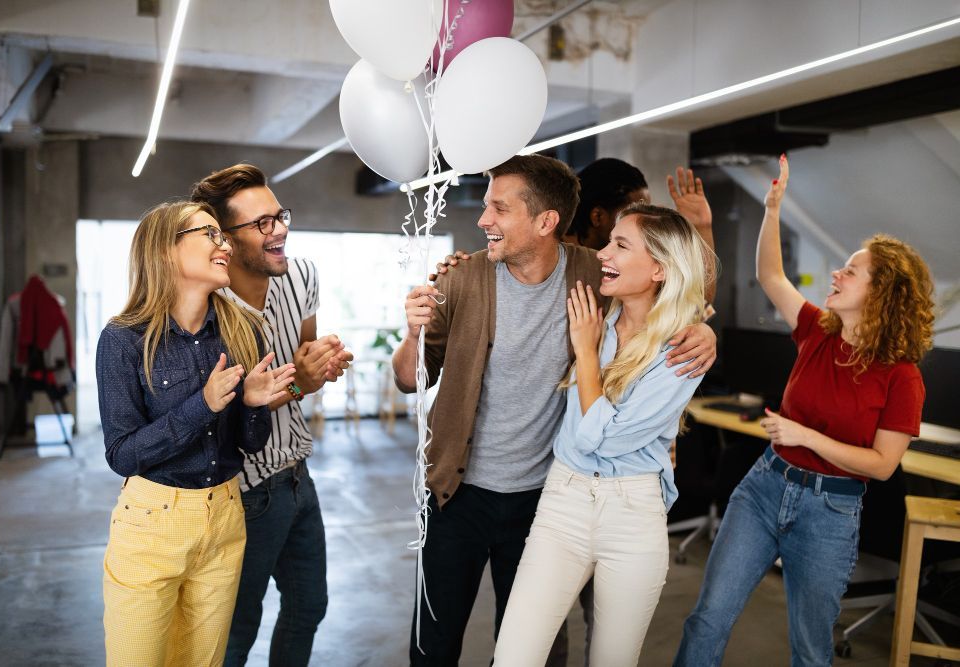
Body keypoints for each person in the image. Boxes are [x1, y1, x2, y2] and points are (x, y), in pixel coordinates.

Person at [392, 154, 718, 666]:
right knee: (432, 643)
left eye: (498, 208)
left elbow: (668, 292)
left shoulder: (593, 275)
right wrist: (412, 332)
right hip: (457, 494)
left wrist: (703, 325)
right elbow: (409, 379)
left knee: (539, 652)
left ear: (545, 222)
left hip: (543, 496)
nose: (482, 221)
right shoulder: (462, 279)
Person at [674, 155, 935, 667]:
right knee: (708, 616)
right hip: (765, 486)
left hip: (830, 511)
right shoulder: (819, 330)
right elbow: (770, 274)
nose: (837, 273)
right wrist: (772, 209)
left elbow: (882, 465)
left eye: (851, 270)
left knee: (810, 648)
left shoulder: (902, 376)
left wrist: (806, 436)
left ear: (881, 295)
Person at [493, 203, 713, 666]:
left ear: (658, 268)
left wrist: (586, 355)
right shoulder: (595, 316)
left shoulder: (681, 351)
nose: (603, 253)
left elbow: (604, 440)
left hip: (632, 516)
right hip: (563, 502)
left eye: (620, 244)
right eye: (609, 239)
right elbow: (518, 254)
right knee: (514, 656)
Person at [97, 200, 296, 667]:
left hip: (226, 518)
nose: (224, 244)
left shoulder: (244, 330)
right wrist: (202, 405)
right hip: (150, 525)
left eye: (221, 235)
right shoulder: (123, 338)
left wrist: (252, 405)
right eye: (209, 234)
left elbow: (251, 444)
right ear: (166, 251)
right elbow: (123, 455)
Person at [190, 164, 352, 667]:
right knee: (236, 629)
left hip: (298, 478)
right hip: (244, 495)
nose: (279, 228)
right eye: (261, 223)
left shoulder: (300, 274)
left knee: (309, 607)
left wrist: (321, 363)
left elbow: (305, 363)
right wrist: (300, 380)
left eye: (279, 215)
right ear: (224, 237)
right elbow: (216, 422)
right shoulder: (207, 309)